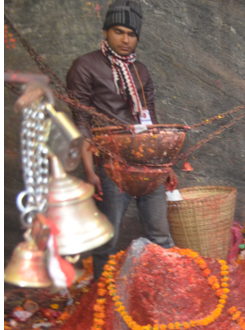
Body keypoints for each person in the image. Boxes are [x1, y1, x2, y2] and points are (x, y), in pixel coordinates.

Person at [66, 0, 177, 279]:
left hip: (148, 163)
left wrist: (164, 165)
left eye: (131, 34)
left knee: (160, 236)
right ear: (106, 32)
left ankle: (165, 295)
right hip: (110, 166)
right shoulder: (85, 66)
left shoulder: (141, 71)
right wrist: (90, 172)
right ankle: (103, 298)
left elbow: (151, 122)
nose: (125, 40)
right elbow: (82, 125)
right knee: (107, 241)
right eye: (118, 32)